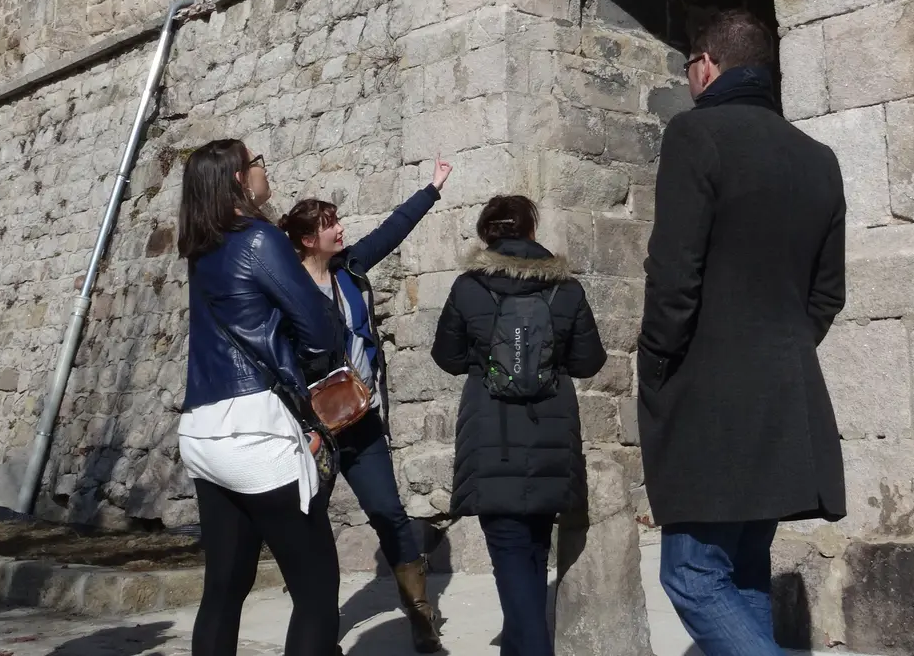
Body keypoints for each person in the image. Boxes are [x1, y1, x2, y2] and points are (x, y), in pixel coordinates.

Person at [637, 10, 847, 656]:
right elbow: (827, 294)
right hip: (786, 394)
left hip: (710, 397)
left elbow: (675, 276)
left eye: (688, 67)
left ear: (707, 63)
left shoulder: (697, 135)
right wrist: (777, 349)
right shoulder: (818, 158)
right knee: (744, 566)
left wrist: (657, 365)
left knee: (693, 575)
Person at [179, 140, 350, 656]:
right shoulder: (259, 239)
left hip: (203, 430)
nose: (262, 168)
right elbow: (319, 330)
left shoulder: (200, 247)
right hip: (256, 429)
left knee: (224, 590)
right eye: (255, 162)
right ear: (237, 179)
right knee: (317, 592)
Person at [278, 159, 454, 653]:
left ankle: (421, 620)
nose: (341, 228)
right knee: (308, 524)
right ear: (309, 238)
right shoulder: (287, 291)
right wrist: (301, 422)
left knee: (389, 515)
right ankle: (315, 630)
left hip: (361, 420)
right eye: (330, 224)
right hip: (315, 429)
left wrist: (431, 189)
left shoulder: (350, 270)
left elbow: (392, 230)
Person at [431, 195, 606, 656]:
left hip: (492, 435)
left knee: (509, 555)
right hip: (550, 431)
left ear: (487, 234)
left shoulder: (468, 287)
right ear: (531, 230)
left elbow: (445, 357)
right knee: (532, 551)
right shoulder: (565, 289)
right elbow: (589, 362)